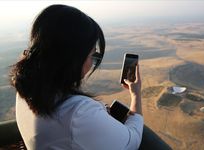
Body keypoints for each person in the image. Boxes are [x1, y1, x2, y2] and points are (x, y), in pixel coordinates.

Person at [10, 4, 143, 150]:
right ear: (74, 57)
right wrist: (136, 94)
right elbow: (132, 142)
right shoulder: (78, 112)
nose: (93, 62)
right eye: (92, 54)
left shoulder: (27, 87)